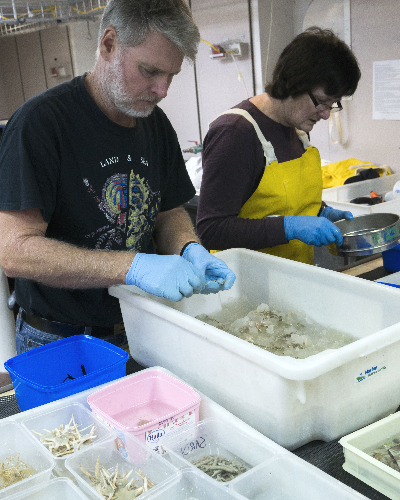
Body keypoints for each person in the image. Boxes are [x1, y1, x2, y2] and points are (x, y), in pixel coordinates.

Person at [0, 0, 235, 355]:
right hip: (64, 339)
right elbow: (14, 251)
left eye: (171, 75)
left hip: (143, 324)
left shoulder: (154, 123)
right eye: (150, 71)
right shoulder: (41, 124)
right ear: (109, 44)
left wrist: (189, 248)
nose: (163, 90)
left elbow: (168, 211)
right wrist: (133, 267)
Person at [196, 27, 361, 265]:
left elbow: (277, 201)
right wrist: (289, 227)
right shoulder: (236, 132)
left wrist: (319, 211)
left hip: (293, 276)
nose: (326, 115)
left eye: (333, 105)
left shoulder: (298, 128)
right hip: (248, 283)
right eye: (322, 102)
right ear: (293, 83)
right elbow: (211, 230)